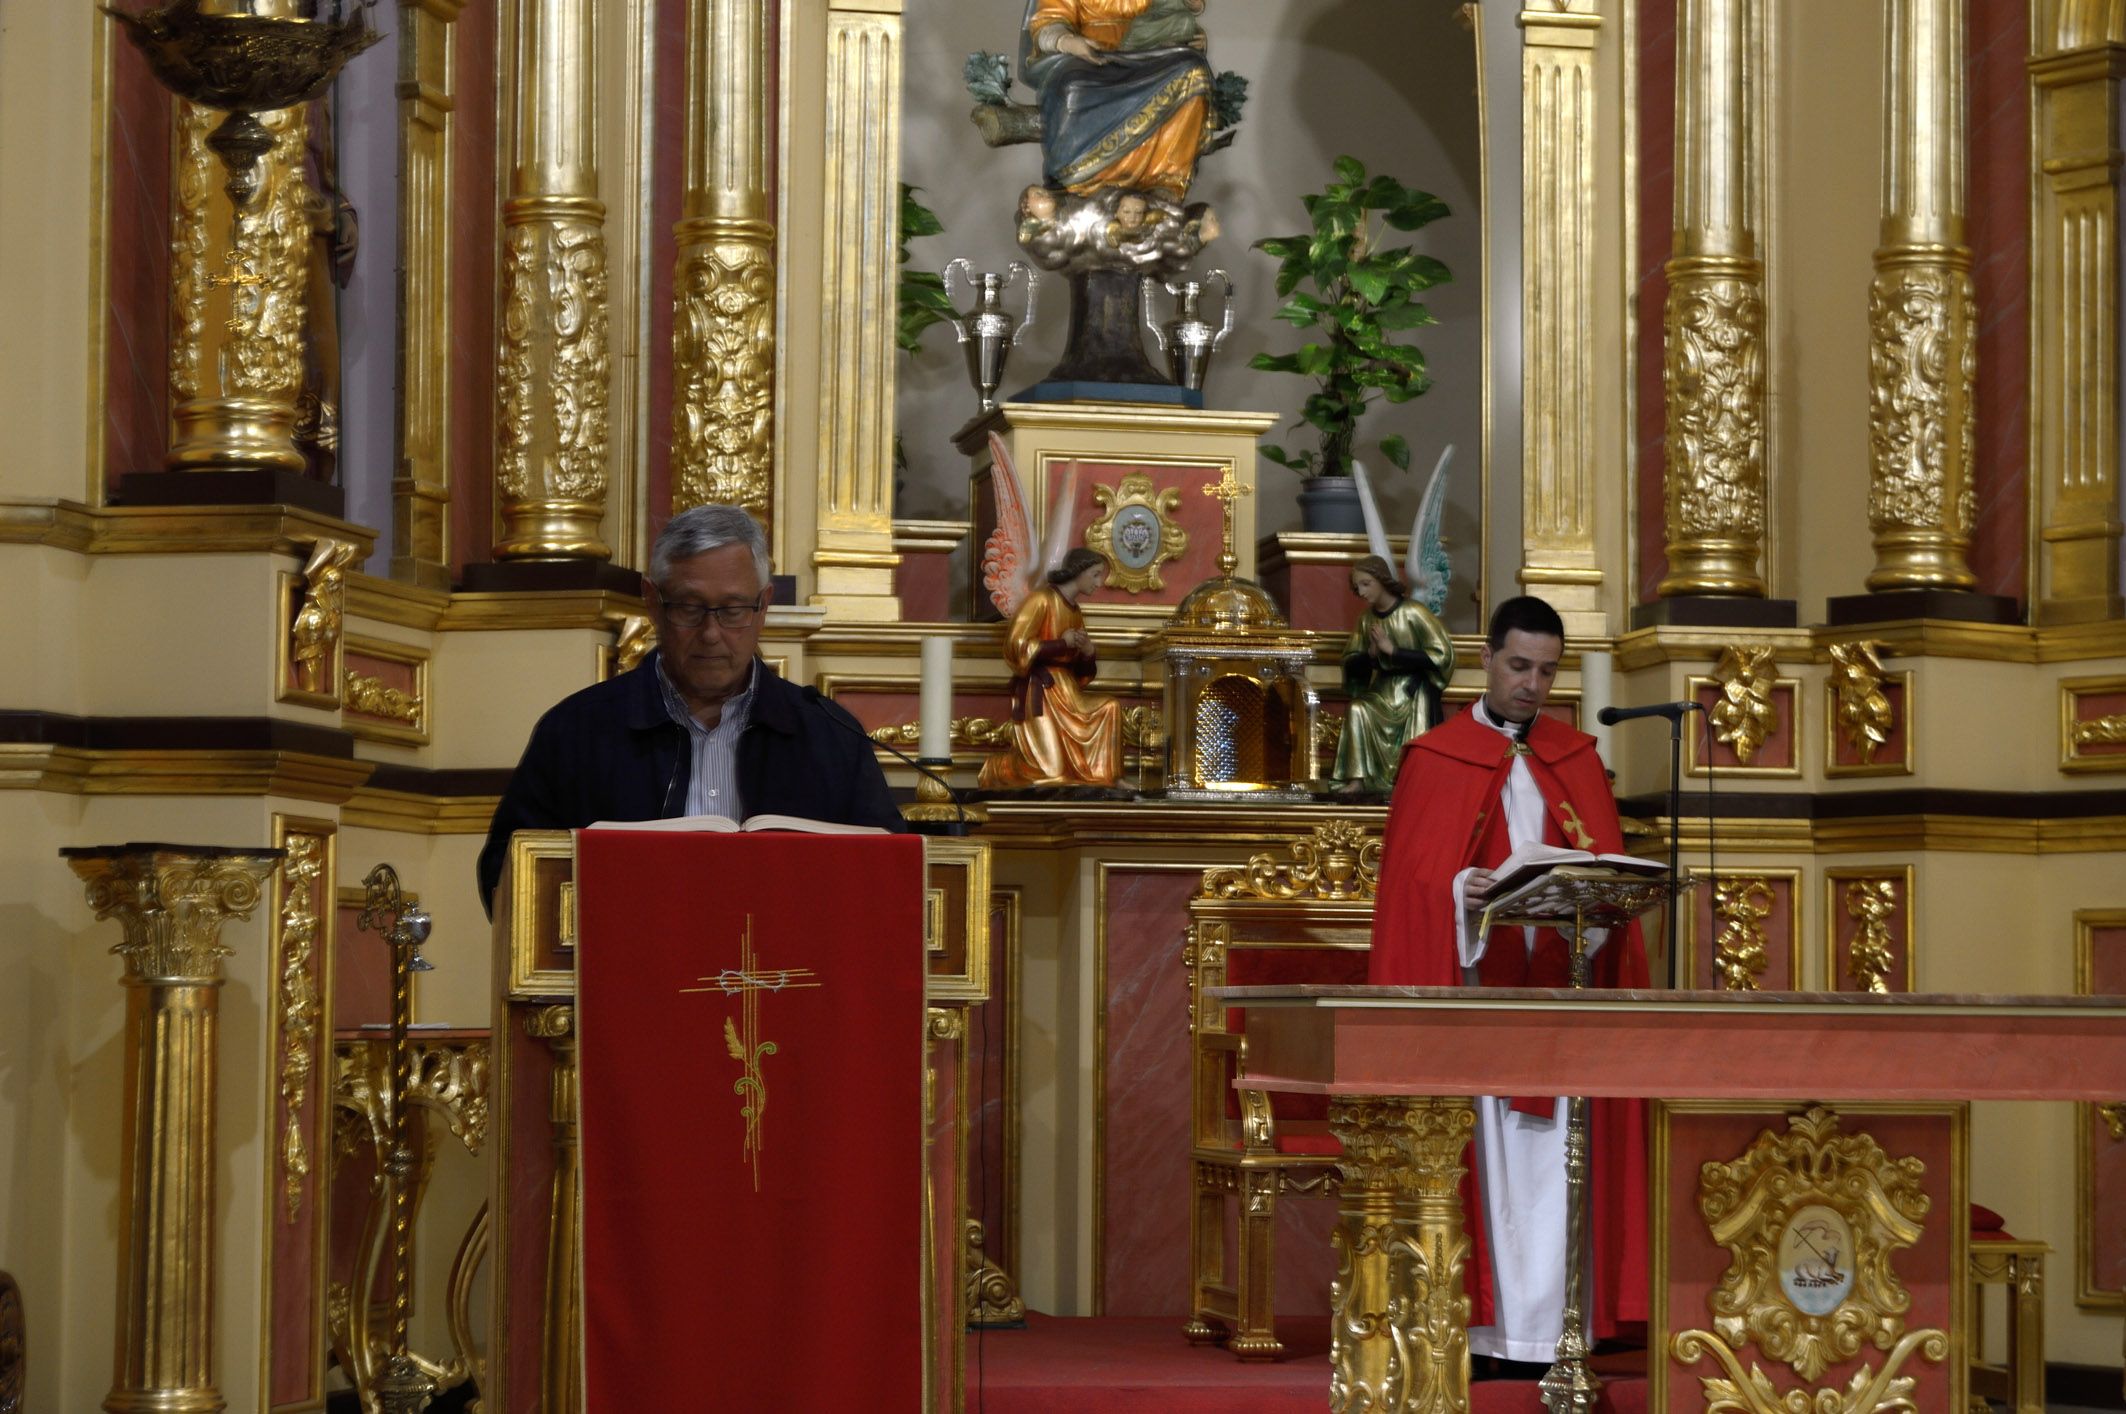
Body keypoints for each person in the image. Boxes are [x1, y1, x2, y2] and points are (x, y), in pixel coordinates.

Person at [1368, 595, 1649, 1369]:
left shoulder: (1577, 758)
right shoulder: (1436, 757)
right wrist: (1457, 891)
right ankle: (1489, 1333)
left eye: (1549, 672)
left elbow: (1601, 867)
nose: (1533, 684)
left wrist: (1593, 903)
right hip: (1478, 998)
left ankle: (1564, 1329)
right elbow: (1411, 887)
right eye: (1520, 666)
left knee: (1562, 1166)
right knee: (1492, 1170)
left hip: (1562, 997)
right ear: (1487, 660)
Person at [476, 505, 905, 913]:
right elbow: (508, 875)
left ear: (764, 606)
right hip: (631, 976)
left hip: (787, 978)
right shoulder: (577, 731)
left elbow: (888, 877)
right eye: (689, 608)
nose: (711, 633)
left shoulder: (829, 735)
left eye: (733, 610)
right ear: (652, 601)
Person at [1020, 0, 1213, 201]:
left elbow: (1173, 9)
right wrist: (1068, 41)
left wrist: (1188, 33)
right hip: (1089, 55)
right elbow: (1047, 22)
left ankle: (1165, 182)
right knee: (1073, 88)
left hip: (1149, 50)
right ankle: (1080, 182)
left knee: (1193, 70)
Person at [979, 547, 1123, 788]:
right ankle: (995, 769)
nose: (1100, 582)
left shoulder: (1075, 611)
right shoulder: (1041, 600)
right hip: (1041, 693)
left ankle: (1106, 777)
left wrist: (1087, 653)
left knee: (1110, 707)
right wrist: (1060, 643)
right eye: (1096, 574)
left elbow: (1081, 676)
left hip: (1067, 692)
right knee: (1049, 773)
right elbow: (1016, 646)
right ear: (1079, 571)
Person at [1330, 554, 1454, 794]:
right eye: (1358, 587)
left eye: (1366, 584)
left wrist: (1393, 651)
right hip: (1383, 690)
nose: (1362, 592)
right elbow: (1350, 660)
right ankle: (1358, 780)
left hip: (1412, 691)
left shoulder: (1413, 612)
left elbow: (1442, 654)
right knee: (1357, 708)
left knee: (1416, 718)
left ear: (1382, 580)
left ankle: (1414, 781)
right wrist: (1371, 656)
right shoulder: (1366, 620)